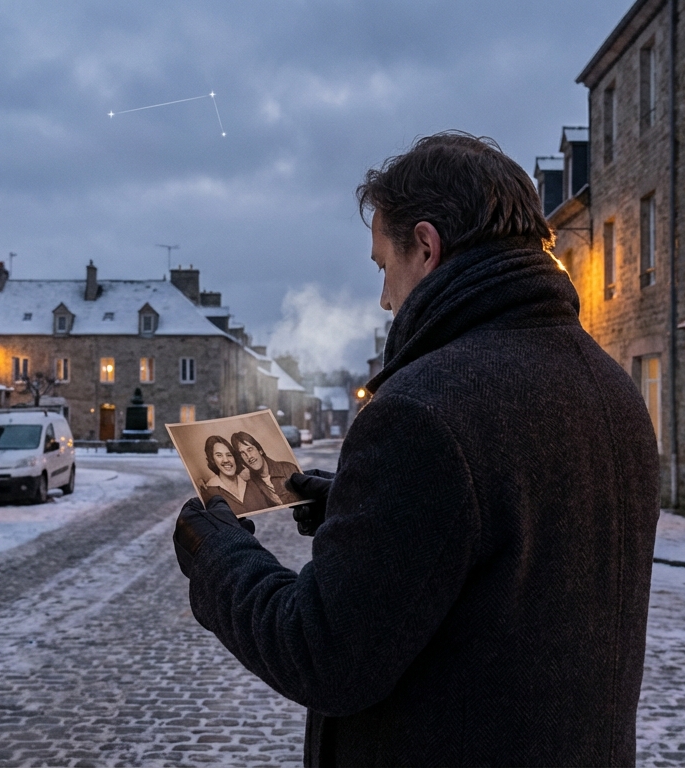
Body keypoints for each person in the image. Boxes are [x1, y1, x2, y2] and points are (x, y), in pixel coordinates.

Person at [173, 132, 659, 766]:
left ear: (426, 247)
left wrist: (220, 559)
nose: (383, 297)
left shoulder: (422, 411)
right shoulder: (610, 384)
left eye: (383, 266)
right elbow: (502, 538)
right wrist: (358, 506)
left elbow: (324, 655)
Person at [199, 435, 270, 517]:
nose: (226, 460)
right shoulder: (208, 492)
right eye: (219, 455)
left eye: (229, 455)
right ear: (212, 460)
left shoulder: (252, 481)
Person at [231, 431, 301, 506]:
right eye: (243, 453)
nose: (249, 456)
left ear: (260, 450)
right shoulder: (251, 485)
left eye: (250, 449)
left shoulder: (288, 468)